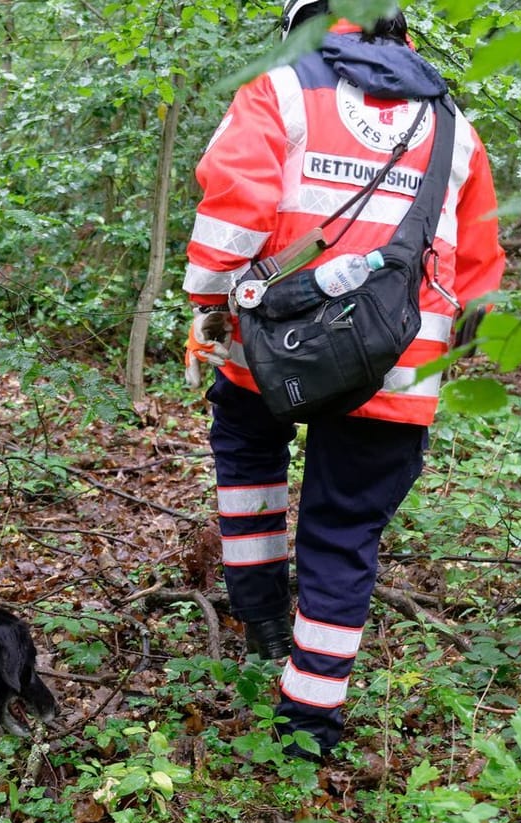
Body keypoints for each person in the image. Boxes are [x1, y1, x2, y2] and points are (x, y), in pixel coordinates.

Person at [182, 0, 504, 758]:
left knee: (245, 443)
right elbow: (481, 269)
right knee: (345, 531)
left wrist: (208, 306)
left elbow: (233, 212)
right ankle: (308, 726)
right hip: (395, 367)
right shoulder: (451, 122)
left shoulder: (281, 88)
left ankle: (260, 614)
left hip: (275, 347)